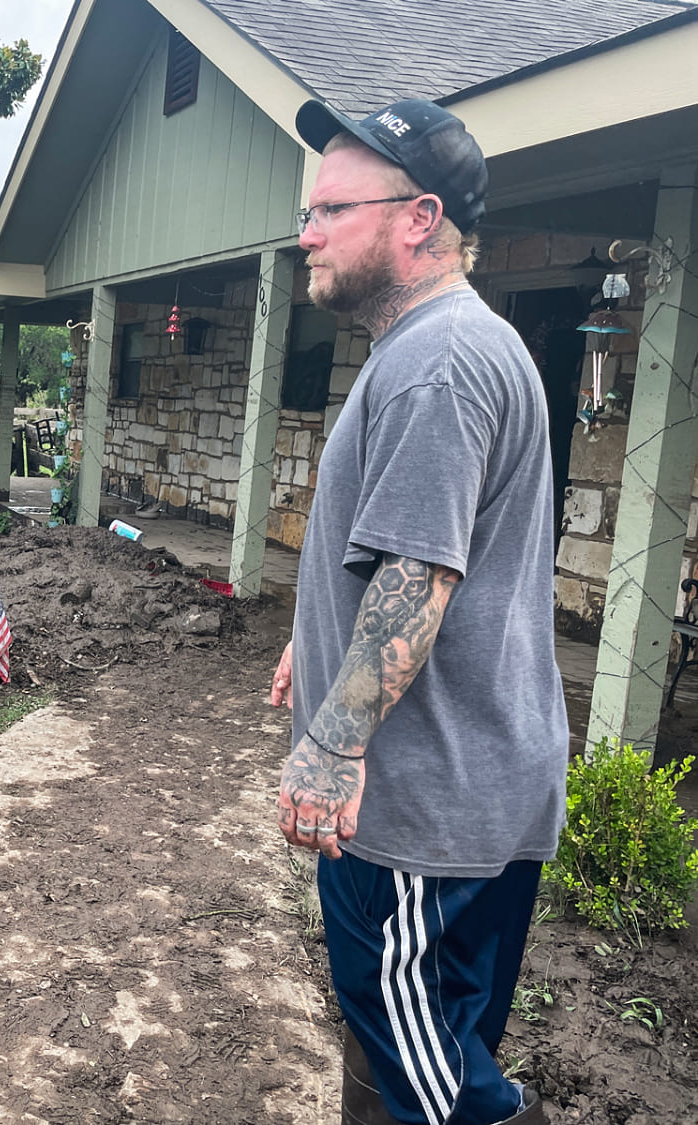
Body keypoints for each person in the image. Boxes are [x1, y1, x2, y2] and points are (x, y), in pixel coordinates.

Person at [269, 98, 568, 1125]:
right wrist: (309, 641)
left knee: (430, 1071)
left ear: (417, 217)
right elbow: (400, 557)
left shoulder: (439, 362)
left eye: (329, 211)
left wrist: (332, 746)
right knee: (431, 1038)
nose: (305, 232)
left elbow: (418, 576)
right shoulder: (438, 346)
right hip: (470, 775)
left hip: (420, 803)